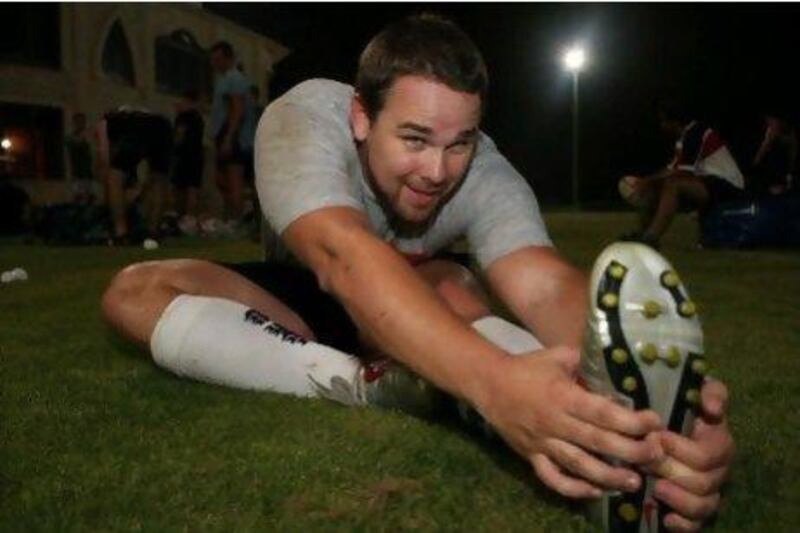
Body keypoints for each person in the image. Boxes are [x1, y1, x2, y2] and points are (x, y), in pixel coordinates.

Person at [102, 15, 732, 530]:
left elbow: (539, 280)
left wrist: (640, 404)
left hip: (427, 295)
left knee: (450, 282)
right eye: (414, 138)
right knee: (135, 292)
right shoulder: (303, 119)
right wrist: (495, 385)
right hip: (310, 291)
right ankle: (366, 384)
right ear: (360, 117)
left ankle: (595, 432)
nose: (438, 169)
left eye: (458, 143)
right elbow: (342, 255)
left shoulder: (486, 168)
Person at [621, 99, 746, 248]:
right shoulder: (685, 138)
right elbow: (671, 170)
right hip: (710, 183)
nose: (662, 125)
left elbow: (681, 172)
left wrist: (646, 181)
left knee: (672, 185)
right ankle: (642, 233)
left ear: (674, 121)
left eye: (664, 121)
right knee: (657, 186)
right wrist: (647, 182)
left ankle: (651, 238)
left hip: (728, 185)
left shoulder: (696, 133)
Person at [95, 107, 173, 244]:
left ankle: (121, 232)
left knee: (114, 178)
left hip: (140, 129)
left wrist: (105, 180)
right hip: (163, 126)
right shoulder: (128, 117)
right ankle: (153, 232)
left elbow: (104, 155)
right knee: (159, 179)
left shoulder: (104, 121)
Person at [209, 41, 258, 232]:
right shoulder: (223, 80)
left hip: (235, 136)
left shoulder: (234, 78)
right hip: (226, 133)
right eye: (213, 60)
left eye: (218, 59)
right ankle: (235, 218)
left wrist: (230, 136)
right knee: (222, 179)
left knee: (234, 179)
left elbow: (238, 109)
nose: (215, 63)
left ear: (228, 58)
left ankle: (236, 222)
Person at [170, 90, 205, 235]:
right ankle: (189, 218)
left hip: (184, 156)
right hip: (196, 155)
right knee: (192, 188)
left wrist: (173, 150)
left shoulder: (184, 118)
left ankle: (182, 217)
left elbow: (179, 136)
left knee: (181, 188)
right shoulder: (198, 118)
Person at [751, 111, 797, 195]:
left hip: (784, 187)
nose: (769, 123)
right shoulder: (764, 138)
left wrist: (788, 181)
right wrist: (765, 143)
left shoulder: (789, 138)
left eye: (772, 120)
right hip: (765, 188)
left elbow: (791, 161)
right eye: (767, 121)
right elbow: (755, 164)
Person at [65, 112, 95, 204]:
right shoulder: (70, 138)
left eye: (82, 121)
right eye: (78, 121)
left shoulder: (88, 137)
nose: (80, 123)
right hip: (77, 173)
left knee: (87, 196)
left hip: (87, 173)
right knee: (79, 196)